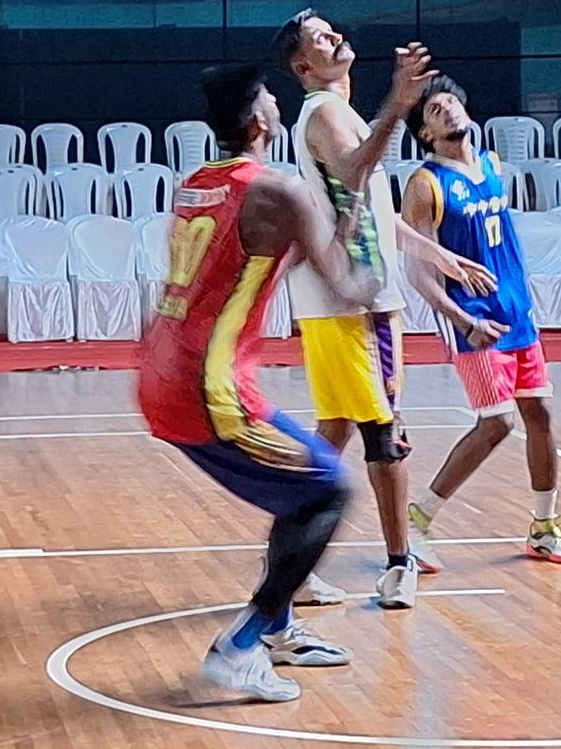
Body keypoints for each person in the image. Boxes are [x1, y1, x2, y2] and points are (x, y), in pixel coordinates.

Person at [138, 63, 380, 703]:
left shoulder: (198, 184)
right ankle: (242, 645)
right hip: (207, 387)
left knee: (297, 493)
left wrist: (334, 232)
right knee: (328, 491)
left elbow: (268, 252)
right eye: (272, 99)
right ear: (259, 123)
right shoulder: (279, 190)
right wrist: (376, 270)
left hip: (161, 369)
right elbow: (345, 287)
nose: (279, 104)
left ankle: (279, 627)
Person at [272, 10, 496, 611]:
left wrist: (437, 257)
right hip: (352, 303)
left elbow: (377, 210)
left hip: (350, 301)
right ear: (304, 66)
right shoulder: (323, 113)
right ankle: (401, 565)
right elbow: (354, 167)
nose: (335, 36)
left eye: (332, 28)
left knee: (336, 430)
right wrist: (398, 105)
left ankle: (292, 564)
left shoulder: (339, 115)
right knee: (384, 435)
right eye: (320, 38)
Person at [400, 75, 561, 568]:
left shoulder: (491, 165)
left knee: (540, 414)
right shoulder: (425, 184)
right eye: (434, 112)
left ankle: (545, 527)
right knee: (498, 422)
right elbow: (415, 269)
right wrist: (460, 319)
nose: (447, 111)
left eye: (449, 104)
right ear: (425, 134)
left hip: (516, 313)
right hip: (475, 320)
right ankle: (417, 521)